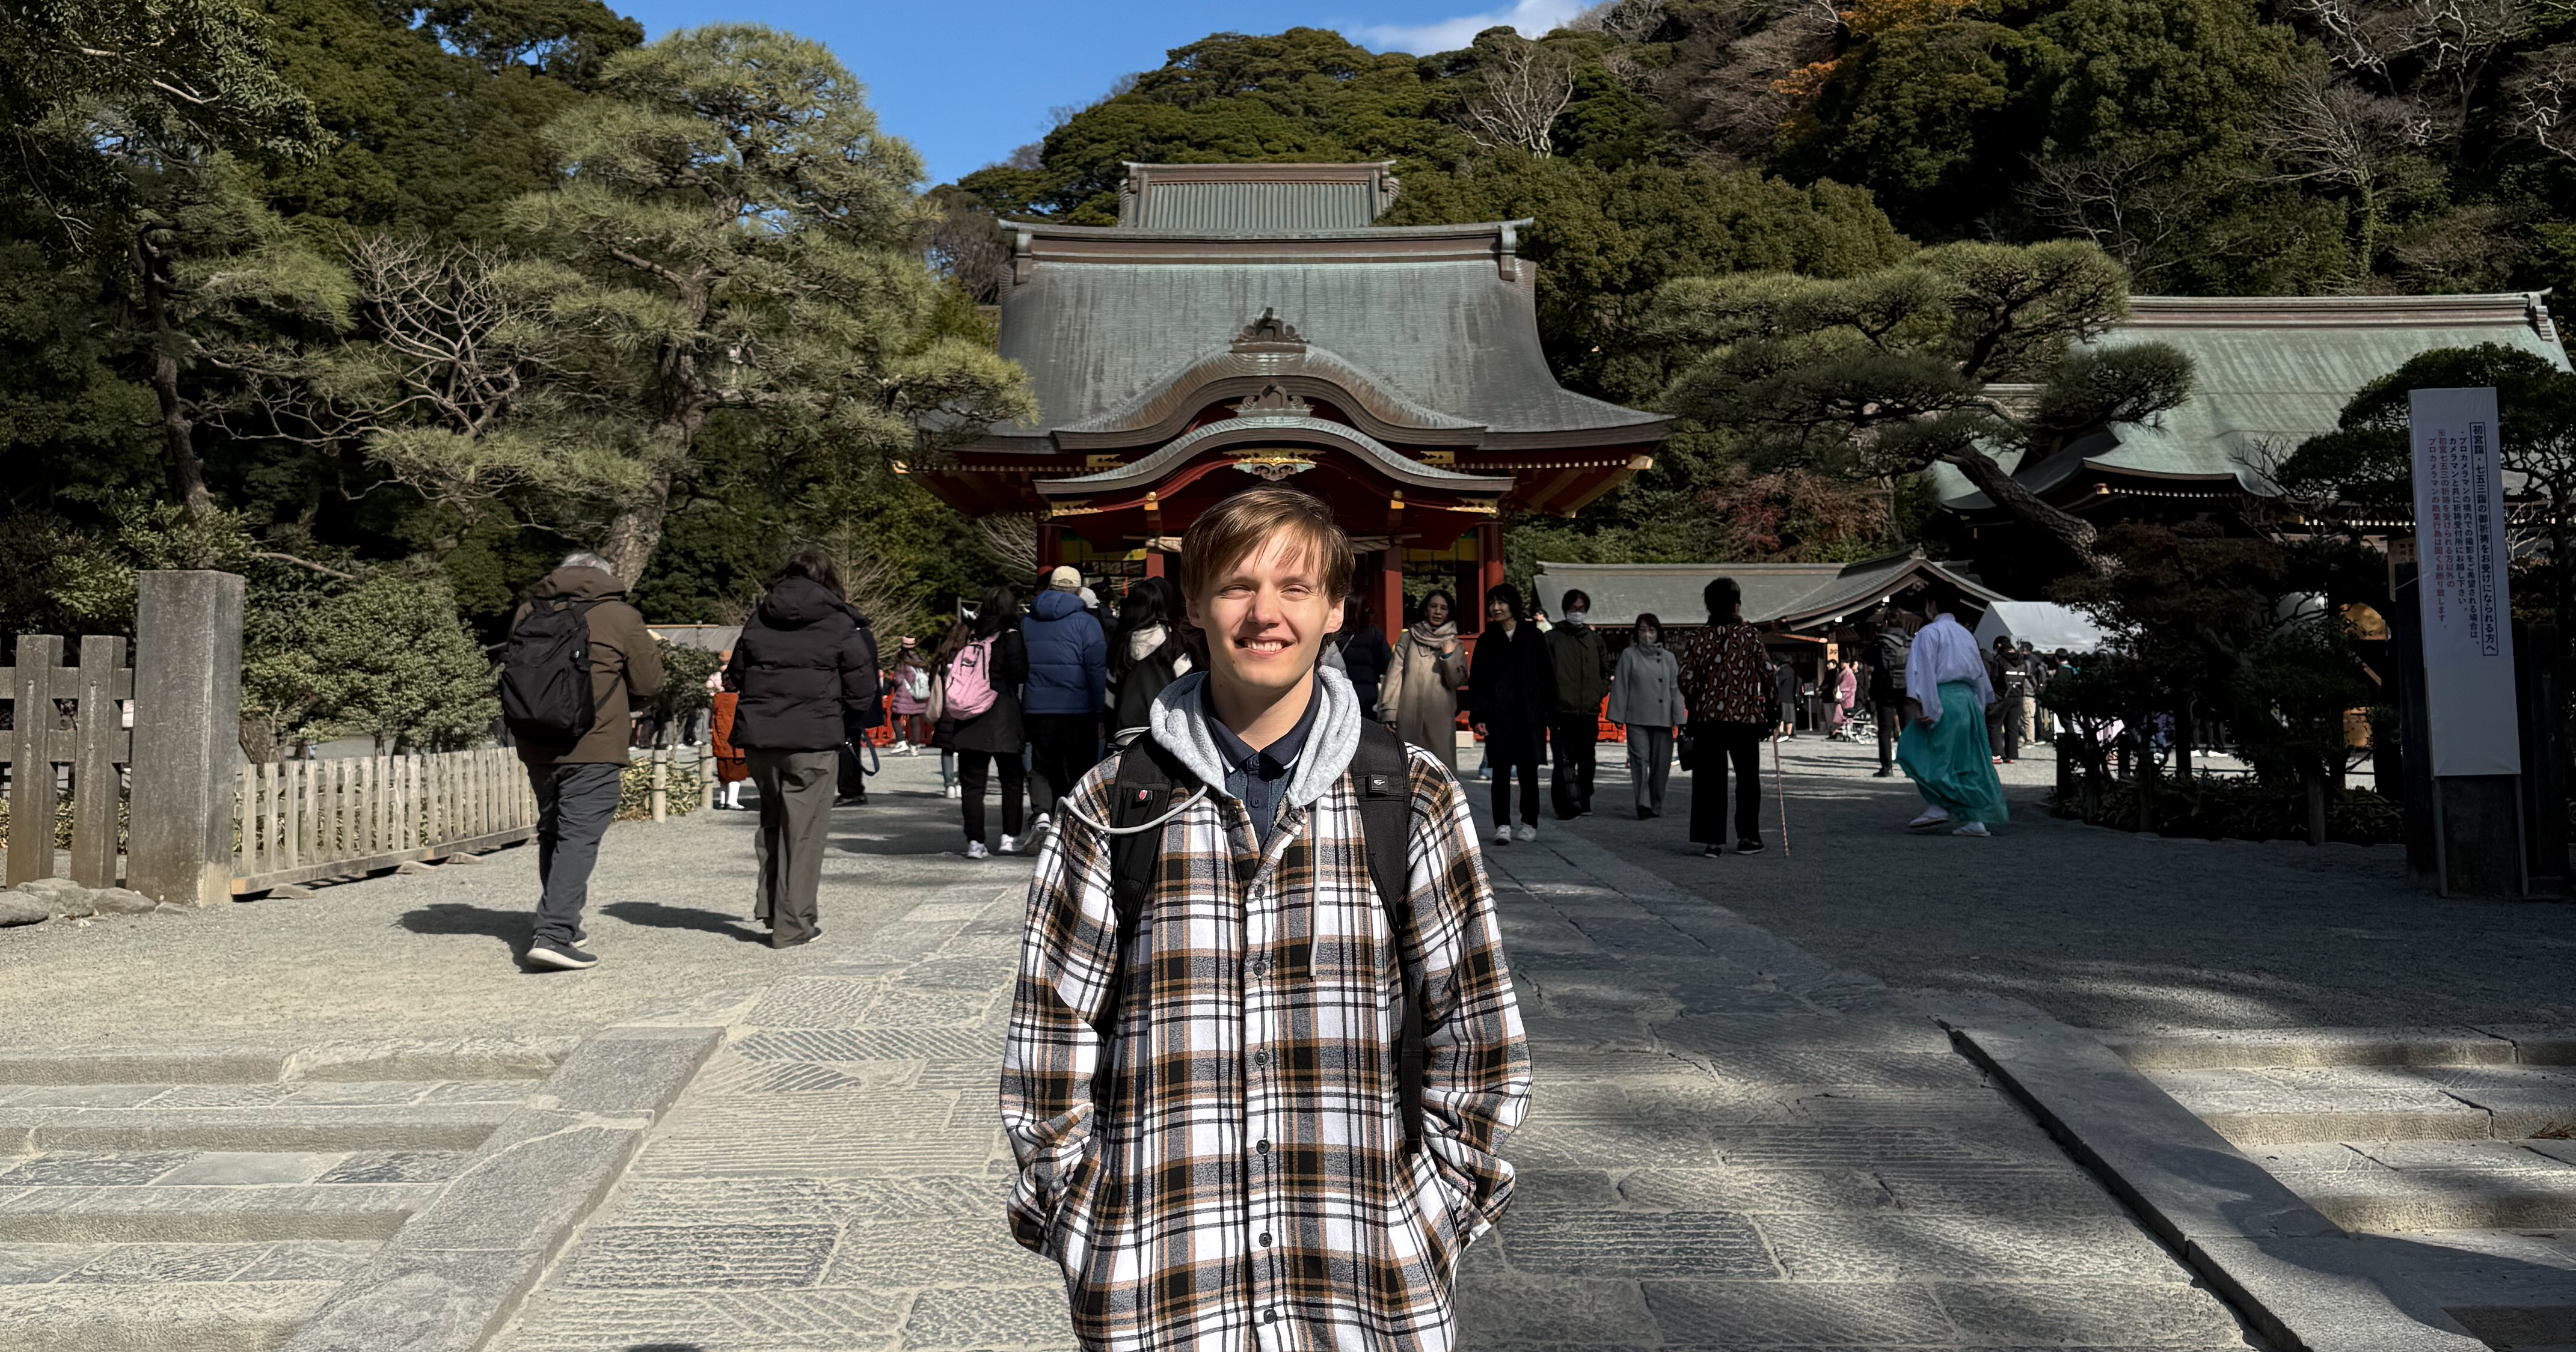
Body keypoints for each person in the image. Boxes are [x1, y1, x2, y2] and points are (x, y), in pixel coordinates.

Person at [1002, 485, 1529, 1348]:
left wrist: (1433, 1210)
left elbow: (1477, 1032)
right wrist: (1085, 1215)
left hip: (1367, 1272)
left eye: (1295, 587)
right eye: (1237, 586)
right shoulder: (1113, 802)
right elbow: (1050, 1035)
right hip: (1159, 1273)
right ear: (1195, 607)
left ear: (1334, 609)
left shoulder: (1412, 793)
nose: (1264, 613)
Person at [504, 551, 665, 971]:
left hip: (537, 740)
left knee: (554, 831)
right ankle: (555, 933)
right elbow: (649, 682)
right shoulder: (619, 615)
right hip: (594, 744)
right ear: (604, 577)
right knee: (579, 836)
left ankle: (564, 924)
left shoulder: (528, 609)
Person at [722, 552, 879, 949]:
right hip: (813, 738)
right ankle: (794, 924)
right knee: (804, 833)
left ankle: (773, 908)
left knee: (773, 824)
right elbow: (862, 689)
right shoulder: (840, 622)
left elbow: (734, 676)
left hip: (761, 739)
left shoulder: (760, 618)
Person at [1898, 582, 2008, 837]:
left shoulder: (1929, 633)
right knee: (1965, 759)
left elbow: (1921, 669)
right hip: (1967, 700)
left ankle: (1939, 805)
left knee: (1917, 749)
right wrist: (1979, 705)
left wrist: (1921, 702)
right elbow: (1979, 674)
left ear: (1932, 605)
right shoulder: (1965, 635)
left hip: (1942, 695)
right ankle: (1974, 819)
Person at [1676, 577, 1771, 857]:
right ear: (1736, 603)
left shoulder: (1697, 638)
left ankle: (1713, 839)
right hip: (1744, 718)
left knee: (1710, 780)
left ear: (1708, 606)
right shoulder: (1750, 636)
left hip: (1708, 719)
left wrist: (1698, 701)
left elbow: (1686, 678)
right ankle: (1748, 836)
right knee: (1747, 779)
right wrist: (1773, 707)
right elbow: (1767, 671)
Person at [942, 586, 1031, 858]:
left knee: (972, 785)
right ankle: (1009, 836)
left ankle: (975, 842)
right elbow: (1019, 673)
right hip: (1003, 715)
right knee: (1011, 782)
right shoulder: (1011, 635)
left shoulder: (972, 634)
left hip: (970, 718)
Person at [1022, 564, 1108, 841]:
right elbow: (1096, 669)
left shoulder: (1028, 621)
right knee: (1079, 765)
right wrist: (1099, 710)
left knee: (1041, 763)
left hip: (1038, 706)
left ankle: (1042, 814)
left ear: (1050, 587)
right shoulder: (1087, 622)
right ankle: (1074, 820)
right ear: (1079, 590)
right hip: (1078, 706)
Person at [1469, 583, 1555, 843]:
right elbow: (1478, 681)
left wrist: (1551, 712)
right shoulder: (1487, 640)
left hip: (1529, 714)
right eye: (1493, 603)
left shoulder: (1533, 635)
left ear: (1513, 604)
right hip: (1499, 714)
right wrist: (1479, 715)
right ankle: (1502, 824)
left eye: (1501, 602)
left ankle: (1529, 821)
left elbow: (1547, 676)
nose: (1496, 608)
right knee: (1501, 771)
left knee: (1529, 771)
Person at [1607, 611, 1686, 819]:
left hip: (1663, 718)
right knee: (1640, 761)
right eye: (1642, 630)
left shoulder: (1669, 659)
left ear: (1658, 632)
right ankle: (1643, 803)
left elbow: (1675, 689)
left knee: (1661, 765)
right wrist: (1617, 714)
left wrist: (1680, 717)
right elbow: (1621, 686)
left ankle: (1656, 803)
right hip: (1637, 717)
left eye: (1651, 630)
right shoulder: (1629, 655)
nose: (1647, 635)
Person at [1380, 589, 1470, 771]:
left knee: (1441, 771)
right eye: (1433, 606)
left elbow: (1456, 681)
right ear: (1425, 609)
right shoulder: (1408, 639)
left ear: (1449, 613)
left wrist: (1449, 655)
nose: (1438, 612)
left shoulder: (1454, 643)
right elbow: (1394, 676)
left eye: (1443, 608)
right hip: (1408, 715)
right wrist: (1389, 710)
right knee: (1407, 770)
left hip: (1440, 719)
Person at [1544, 588, 1614, 820]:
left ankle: (1584, 800)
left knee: (1587, 759)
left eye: (1581, 609)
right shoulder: (1552, 639)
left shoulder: (1595, 640)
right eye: (1573, 608)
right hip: (1562, 710)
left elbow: (1606, 670)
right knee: (1563, 760)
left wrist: (1599, 692)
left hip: (1588, 710)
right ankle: (1564, 804)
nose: (1577, 613)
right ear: (1565, 610)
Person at [1109, 575, 1191, 733]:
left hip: (1125, 730)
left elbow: (1110, 695)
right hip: (1164, 728)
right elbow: (1187, 684)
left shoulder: (1120, 644)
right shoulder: (1173, 641)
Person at [1866, 605, 1916, 778]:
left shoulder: (1880, 641)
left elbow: (1867, 658)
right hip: (1907, 688)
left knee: (1885, 730)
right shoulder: (1910, 641)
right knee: (1908, 729)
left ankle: (1887, 767)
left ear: (1886, 622)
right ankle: (1911, 769)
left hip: (1885, 688)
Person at [1329, 590, 1394, 716]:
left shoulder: (1332, 634)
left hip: (1338, 693)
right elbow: (1387, 666)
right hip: (1367, 698)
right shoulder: (1374, 633)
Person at [707, 652, 747, 809]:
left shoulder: (717, 698)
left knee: (724, 775)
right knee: (736, 775)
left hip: (720, 741)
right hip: (735, 743)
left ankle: (723, 801)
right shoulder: (737, 699)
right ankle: (732, 801)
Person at [1986, 635, 2029, 765]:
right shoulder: (2021, 661)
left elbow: (1994, 678)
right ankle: (2011, 756)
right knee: (2012, 726)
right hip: (2017, 696)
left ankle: (1997, 754)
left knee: (1994, 725)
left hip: (2002, 696)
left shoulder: (1999, 660)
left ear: (1999, 647)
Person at [888, 637, 931, 756]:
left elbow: (898, 679)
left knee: (895, 717)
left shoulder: (902, 659)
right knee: (915, 720)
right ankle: (915, 747)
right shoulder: (918, 659)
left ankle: (901, 741)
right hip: (918, 693)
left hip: (904, 693)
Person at [1773, 656, 1799, 739]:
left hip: (1782, 696)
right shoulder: (1792, 671)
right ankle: (1789, 733)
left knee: (1782, 717)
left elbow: (1777, 683)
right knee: (1791, 717)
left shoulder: (1781, 671)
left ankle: (1781, 733)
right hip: (1791, 697)